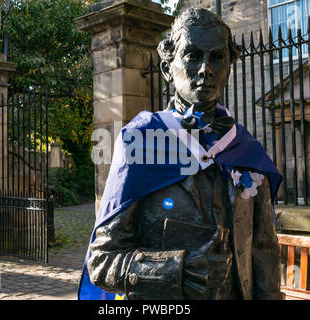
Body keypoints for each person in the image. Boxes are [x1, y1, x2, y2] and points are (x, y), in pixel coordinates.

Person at [78, 8, 284, 300]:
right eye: (192, 55)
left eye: (216, 57)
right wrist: (176, 270)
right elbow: (101, 261)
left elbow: (264, 251)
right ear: (167, 68)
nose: (205, 69)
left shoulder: (245, 149)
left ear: (228, 65)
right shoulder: (142, 142)